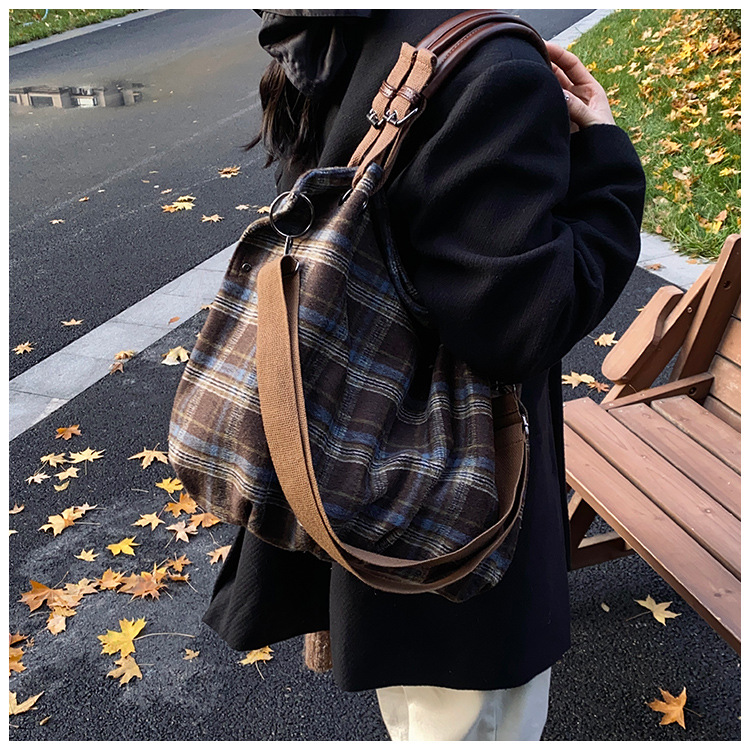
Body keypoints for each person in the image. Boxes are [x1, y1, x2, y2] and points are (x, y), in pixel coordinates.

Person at [202, 9, 646, 741]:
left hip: (356, 452)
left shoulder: (341, 33)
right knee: (473, 723)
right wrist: (605, 164)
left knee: (415, 712)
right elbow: (525, 323)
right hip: (461, 495)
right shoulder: (496, 67)